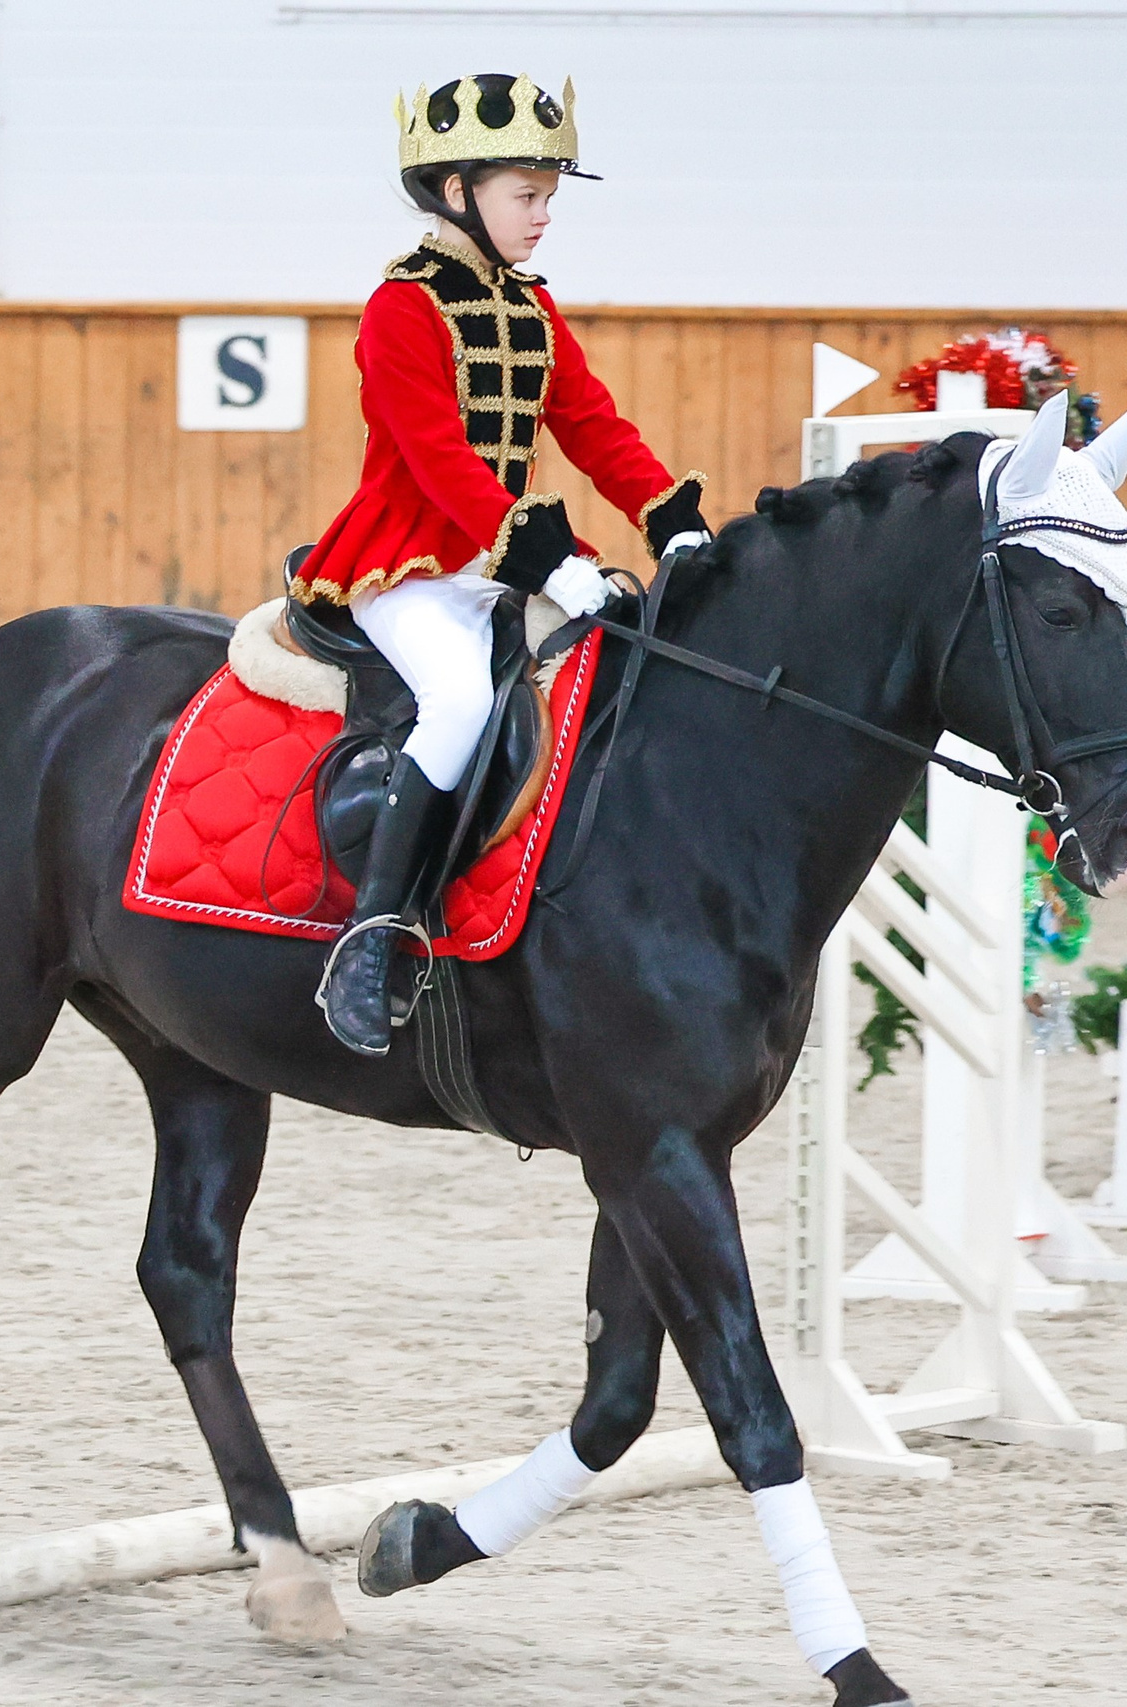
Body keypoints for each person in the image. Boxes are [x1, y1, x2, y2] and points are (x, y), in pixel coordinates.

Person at [302, 73, 711, 1056]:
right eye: (525, 195)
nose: (542, 217)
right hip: (406, 566)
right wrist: (547, 561)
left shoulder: (529, 306)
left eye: (547, 198)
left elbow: (590, 423)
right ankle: (377, 929)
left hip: (502, 565)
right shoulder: (400, 308)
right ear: (456, 192)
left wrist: (672, 520)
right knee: (460, 703)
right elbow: (438, 459)